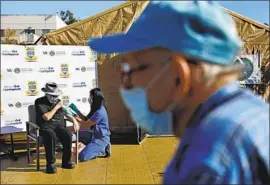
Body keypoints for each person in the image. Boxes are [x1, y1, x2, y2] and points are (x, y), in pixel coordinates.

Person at [88, 1, 269, 184]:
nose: (127, 83)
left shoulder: (209, 155)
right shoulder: (249, 116)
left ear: (178, 73)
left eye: (135, 69)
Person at [35, 82, 79, 174]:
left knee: (67, 135)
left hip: (58, 126)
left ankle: (66, 161)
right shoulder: (39, 102)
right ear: (46, 94)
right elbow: (47, 117)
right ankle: (50, 164)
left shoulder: (58, 101)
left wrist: (74, 121)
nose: (54, 98)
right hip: (45, 127)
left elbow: (67, 113)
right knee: (51, 135)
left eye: (56, 96)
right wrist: (56, 107)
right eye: (52, 96)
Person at [71, 88, 111, 162]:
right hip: (94, 134)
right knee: (76, 134)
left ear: (95, 99)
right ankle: (92, 147)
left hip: (101, 138)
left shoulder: (99, 112)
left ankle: (103, 150)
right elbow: (86, 119)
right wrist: (76, 110)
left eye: (91, 97)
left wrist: (73, 116)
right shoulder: (96, 108)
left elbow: (85, 125)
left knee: (82, 156)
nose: (89, 99)